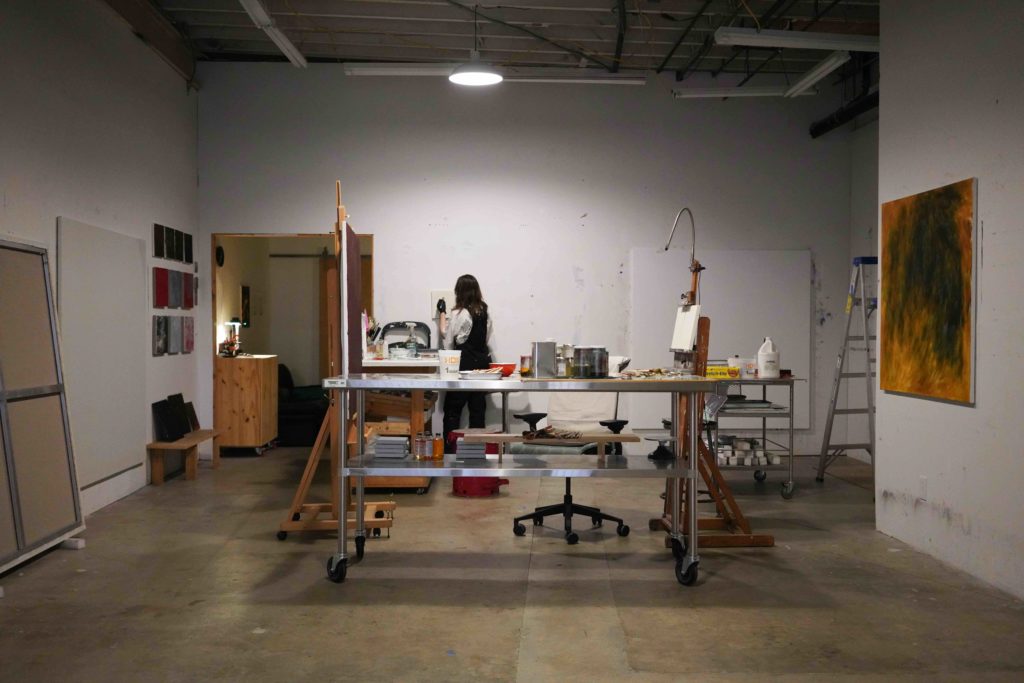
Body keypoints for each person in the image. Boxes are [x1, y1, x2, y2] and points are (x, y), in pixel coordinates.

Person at [439, 274, 493, 448]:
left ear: (459, 292)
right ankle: (476, 453)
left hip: (463, 366)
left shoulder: (459, 313)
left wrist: (442, 313)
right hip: (482, 367)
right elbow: (486, 338)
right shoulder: (485, 311)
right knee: (477, 411)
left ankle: (450, 452)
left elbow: (448, 340)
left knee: (452, 410)